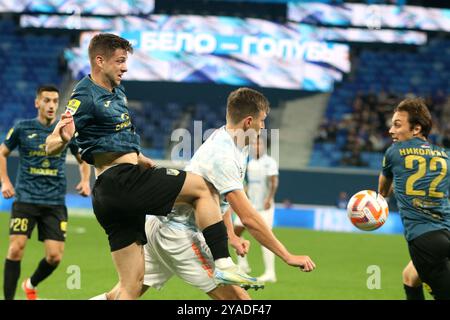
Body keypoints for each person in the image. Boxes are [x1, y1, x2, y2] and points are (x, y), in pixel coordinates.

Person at [45, 33, 259, 300]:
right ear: (99, 61)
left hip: (109, 195)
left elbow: (114, 136)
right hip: (122, 182)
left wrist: (138, 155)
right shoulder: (85, 95)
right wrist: (63, 138)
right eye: (120, 61)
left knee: (130, 287)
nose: (125, 67)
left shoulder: (116, 91)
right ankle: (224, 264)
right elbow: (51, 143)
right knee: (203, 189)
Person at [92, 87, 315, 300]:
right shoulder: (224, 156)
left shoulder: (237, 143)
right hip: (179, 234)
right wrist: (287, 256)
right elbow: (248, 217)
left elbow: (220, 198)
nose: (263, 127)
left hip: (162, 225)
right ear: (249, 121)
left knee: (122, 294)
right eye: (262, 121)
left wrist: (231, 235)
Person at [0, 85, 91, 300]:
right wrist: (4, 181)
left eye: (54, 101)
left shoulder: (66, 130)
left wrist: (86, 180)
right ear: (37, 103)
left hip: (54, 201)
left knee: (54, 257)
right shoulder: (23, 128)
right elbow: (2, 153)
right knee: (15, 248)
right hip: (26, 199)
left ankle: (30, 284)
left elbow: (83, 159)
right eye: (47, 100)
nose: (51, 105)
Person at [378, 97, 450, 300]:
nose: (391, 130)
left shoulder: (394, 152)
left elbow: (382, 193)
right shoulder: (445, 155)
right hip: (446, 231)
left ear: (416, 129)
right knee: (410, 276)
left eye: (397, 125)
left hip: (425, 240)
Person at [233, 137, 280, 283]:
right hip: (250, 206)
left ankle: (270, 273)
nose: (256, 146)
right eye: (254, 143)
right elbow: (247, 183)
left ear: (264, 146)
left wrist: (269, 198)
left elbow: (274, 182)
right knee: (235, 232)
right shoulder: (250, 162)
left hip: (264, 208)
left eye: (259, 143)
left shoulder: (269, 162)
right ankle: (243, 265)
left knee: (265, 238)